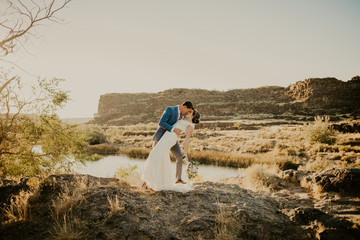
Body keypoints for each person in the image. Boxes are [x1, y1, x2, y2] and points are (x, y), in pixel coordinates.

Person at [141, 108, 201, 192]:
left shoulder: (191, 126)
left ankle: (154, 183)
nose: (188, 112)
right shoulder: (182, 119)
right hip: (166, 136)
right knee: (156, 156)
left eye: (190, 112)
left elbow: (186, 141)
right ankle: (150, 183)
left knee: (155, 155)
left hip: (170, 139)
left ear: (193, 116)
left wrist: (185, 155)